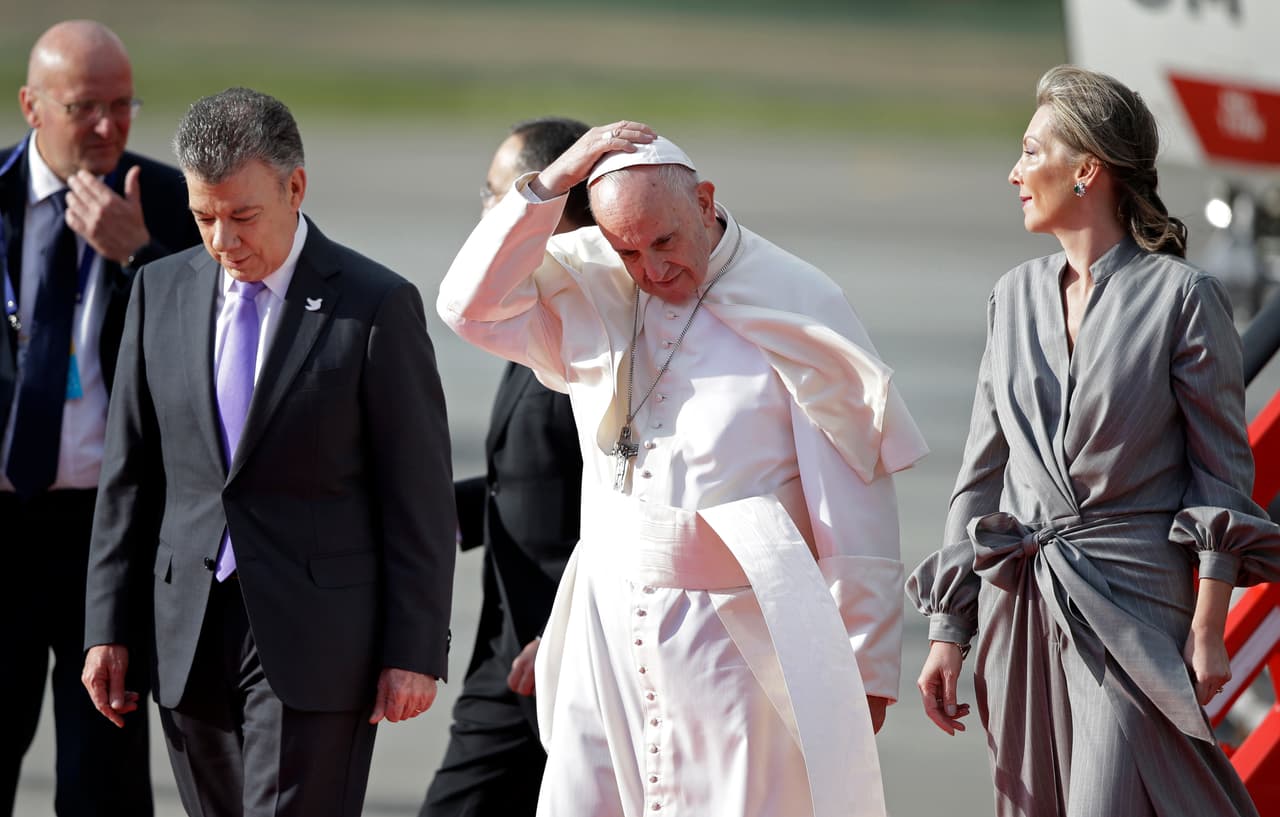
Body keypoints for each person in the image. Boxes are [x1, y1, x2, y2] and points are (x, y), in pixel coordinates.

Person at [440, 121, 928, 817]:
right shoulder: (593, 279)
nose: (651, 271)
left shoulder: (797, 299)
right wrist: (552, 182)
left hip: (739, 637)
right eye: (628, 250)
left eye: (664, 242)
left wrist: (864, 661)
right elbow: (466, 306)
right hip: (608, 625)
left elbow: (851, 492)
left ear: (704, 202)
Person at [907, 64, 1280, 817]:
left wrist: (1208, 629)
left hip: (1137, 613)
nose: (1014, 172)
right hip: (1027, 612)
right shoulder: (1010, 299)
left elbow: (1221, 478)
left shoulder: (1184, 299)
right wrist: (950, 628)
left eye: (1030, 152)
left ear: (1086, 170)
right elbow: (979, 481)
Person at [80, 87, 457, 817]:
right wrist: (106, 627)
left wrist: (414, 646)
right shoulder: (160, 290)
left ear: (295, 187)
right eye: (203, 217)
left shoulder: (374, 306)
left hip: (317, 641)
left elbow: (418, 494)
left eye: (243, 216)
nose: (223, 241)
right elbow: (127, 476)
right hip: (186, 630)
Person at [1, 20, 201, 817]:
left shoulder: (173, 210)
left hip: (110, 537)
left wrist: (140, 256)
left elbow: (220, 349)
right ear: (31, 106)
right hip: (4, 523)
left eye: (123, 106)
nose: (109, 126)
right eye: (85, 107)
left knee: (103, 776)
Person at [422, 116, 589, 817]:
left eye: (502, 195)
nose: (490, 212)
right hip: (509, 640)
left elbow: (627, 504)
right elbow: (522, 480)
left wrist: (568, 634)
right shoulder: (539, 311)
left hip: (562, 649)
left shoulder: (601, 333)